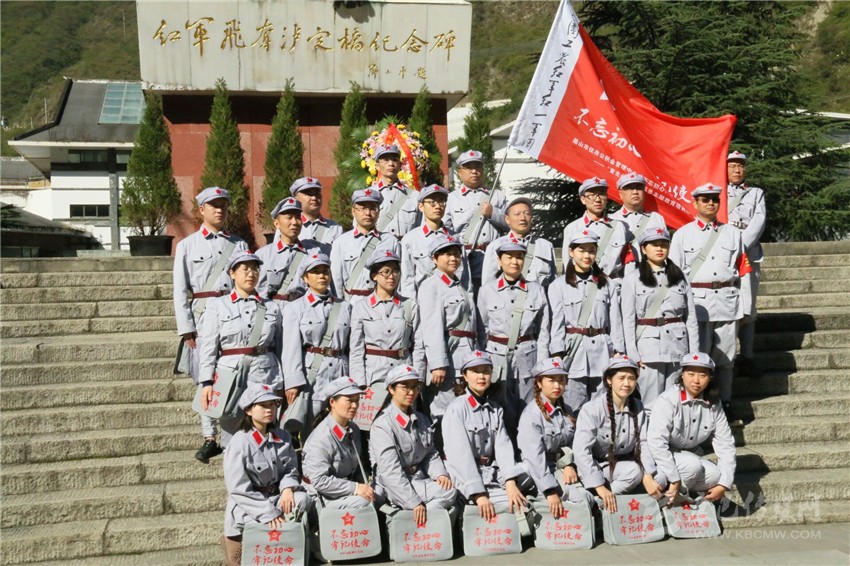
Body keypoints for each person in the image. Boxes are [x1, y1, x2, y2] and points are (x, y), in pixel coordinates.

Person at [172, 186, 248, 462]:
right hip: (203, 318)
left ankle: (233, 435)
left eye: (223, 205)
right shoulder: (187, 245)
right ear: (201, 210)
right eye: (214, 205)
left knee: (233, 375)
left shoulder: (239, 245)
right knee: (204, 376)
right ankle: (209, 436)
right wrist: (186, 328)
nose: (219, 210)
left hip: (233, 315)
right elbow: (180, 290)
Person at [670, 183, 751, 423]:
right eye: (705, 200)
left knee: (726, 360)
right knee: (696, 359)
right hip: (697, 305)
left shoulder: (733, 233)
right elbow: (673, 276)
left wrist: (746, 308)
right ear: (695, 203)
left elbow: (743, 271)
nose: (710, 203)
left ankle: (724, 402)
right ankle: (697, 403)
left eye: (715, 199)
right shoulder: (683, 234)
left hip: (727, 302)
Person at [197, 251, 283, 447]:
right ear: (232, 273)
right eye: (245, 269)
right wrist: (207, 382)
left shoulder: (272, 307)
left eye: (255, 269)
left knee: (264, 431)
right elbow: (209, 347)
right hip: (230, 376)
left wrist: (283, 381)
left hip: (264, 373)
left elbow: (279, 346)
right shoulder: (218, 305)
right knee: (232, 434)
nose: (251, 274)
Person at [222, 383, 312, 566]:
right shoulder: (239, 443)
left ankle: (287, 550)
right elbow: (238, 489)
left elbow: (290, 469)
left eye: (272, 404)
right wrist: (268, 513)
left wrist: (287, 488)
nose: (269, 410)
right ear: (249, 410)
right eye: (263, 405)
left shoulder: (283, 436)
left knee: (301, 499)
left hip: (276, 496)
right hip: (248, 504)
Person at [442, 351, 530, 521]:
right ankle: (467, 500)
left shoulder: (495, 409)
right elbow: (460, 457)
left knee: (530, 470)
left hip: (491, 471)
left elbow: (503, 447)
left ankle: (499, 492)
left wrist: (510, 481)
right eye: (475, 371)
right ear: (464, 376)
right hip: (465, 474)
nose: (481, 376)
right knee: (511, 507)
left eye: (486, 371)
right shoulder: (457, 409)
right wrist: (479, 494)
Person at [621, 228, 699, 411]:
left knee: (675, 402)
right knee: (650, 403)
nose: (659, 248)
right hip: (648, 348)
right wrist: (632, 353)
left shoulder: (680, 277)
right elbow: (628, 319)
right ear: (643, 249)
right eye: (654, 245)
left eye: (664, 244)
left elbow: (691, 319)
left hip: (678, 346)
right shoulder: (633, 279)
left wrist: (693, 354)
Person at [573, 357, 665, 513]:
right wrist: (600, 487)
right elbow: (582, 451)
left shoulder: (638, 406)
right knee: (634, 471)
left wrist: (648, 474)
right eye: (621, 378)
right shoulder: (592, 409)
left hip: (625, 466)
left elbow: (643, 442)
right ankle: (599, 505)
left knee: (660, 476)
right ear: (609, 380)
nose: (626, 383)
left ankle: (633, 508)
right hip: (598, 467)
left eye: (631, 378)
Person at [476, 239, 551, 428]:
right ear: (499, 261)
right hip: (497, 357)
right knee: (500, 409)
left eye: (519, 257)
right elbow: (482, 330)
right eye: (509, 257)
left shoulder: (536, 290)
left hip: (528, 356)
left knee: (529, 407)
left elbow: (543, 331)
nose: (514, 262)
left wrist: (542, 364)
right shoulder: (487, 290)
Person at [369, 365, 457, 524]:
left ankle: (413, 521)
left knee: (450, 488)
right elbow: (390, 472)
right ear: (391, 389)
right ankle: (414, 522)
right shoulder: (383, 425)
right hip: (394, 485)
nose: (411, 392)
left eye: (415, 387)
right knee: (448, 494)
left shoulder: (421, 419)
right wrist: (413, 502)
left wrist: (440, 474)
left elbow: (430, 453)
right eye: (405, 387)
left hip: (418, 479)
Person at [548, 231, 625, 413]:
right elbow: (556, 323)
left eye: (591, 250)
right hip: (574, 353)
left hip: (602, 351)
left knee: (603, 407)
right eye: (581, 250)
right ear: (571, 252)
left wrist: (618, 351)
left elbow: (615, 320)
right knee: (573, 405)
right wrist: (557, 353)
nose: (587, 255)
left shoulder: (606, 284)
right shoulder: (558, 285)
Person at [648, 352, 736, 505]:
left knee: (715, 475)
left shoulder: (714, 403)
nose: (696, 380)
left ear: (710, 378)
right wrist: (674, 479)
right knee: (692, 465)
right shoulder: (668, 400)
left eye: (702, 375)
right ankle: (669, 500)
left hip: (689, 456)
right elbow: (656, 443)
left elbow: (725, 443)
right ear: (682, 375)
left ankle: (681, 495)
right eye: (691, 374)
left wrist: (724, 484)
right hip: (662, 457)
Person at [517, 357, 593, 519]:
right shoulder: (532, 414)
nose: (557, 385)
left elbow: (573, 444)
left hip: (562, 468)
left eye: (561, 380)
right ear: (539, 383)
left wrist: (568, 463)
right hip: (540, 472)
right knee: (580, 499)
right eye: (551, 380)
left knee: (590, 495)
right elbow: (534, 458)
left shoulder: (566, 410)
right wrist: (549, 490)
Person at [281, 254, 352, 426]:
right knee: (310, 425)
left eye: (325, 271)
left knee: (342, 423)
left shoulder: (345, 307)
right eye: (315, 272)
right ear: (305, 278)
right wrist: (292, 382)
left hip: (340, 371)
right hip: (312, 376)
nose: (321, 276)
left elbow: (351, 345)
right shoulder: (295, 308)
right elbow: (291, 348)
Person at [418, 233, 478, 423]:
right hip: (448, 360)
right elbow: (431, 327)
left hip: (465, 356)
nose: (453, 258)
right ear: (434, 258)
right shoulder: (431, 285)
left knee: (464, 412)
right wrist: (437, 364)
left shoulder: (459, 286)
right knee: (444, 414)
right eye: (447, 254)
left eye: (456, 254)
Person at [302, 377, 377, 513]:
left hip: (344, 490)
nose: (354, 406)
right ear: (332, 402)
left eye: (357, 400)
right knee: (364, 502)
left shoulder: (353, 428)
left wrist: (365, 485)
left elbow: (357, 467)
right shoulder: (321, 438)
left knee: (379, 492)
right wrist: (355, 488)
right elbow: (319, 481)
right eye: (349, 400)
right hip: (322, 497)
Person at [349, 249, 422, 388]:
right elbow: (356, 349)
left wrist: (418, 378)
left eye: (395, 271)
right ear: (374, 276)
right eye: (386, 272)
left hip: (404, 374)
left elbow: (419, 345)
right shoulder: (361, 307)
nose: (391, 276)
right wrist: (359, 383)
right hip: (374, 375)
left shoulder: (409, 305)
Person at [726, 151, 766, 378]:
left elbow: (758, 221)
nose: (737, 170)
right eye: (732, 166)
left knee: (748, 307)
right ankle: (727, 358)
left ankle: (747, 356)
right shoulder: (716, 193)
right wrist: (729, 246)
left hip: (747, 252)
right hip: (723, 253)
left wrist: (739, 245)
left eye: (740, 166)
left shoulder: (755, 193)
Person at [444, 150, 508, 288]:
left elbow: (511, 224)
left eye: (478, 167)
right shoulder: (451, 198)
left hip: (493, 259)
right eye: (469, 167)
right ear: (460, 172)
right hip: (465, 259)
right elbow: (445, 231)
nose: (474, 171)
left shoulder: (497, 196)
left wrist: (493, 213)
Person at [400, 183, 471, 298]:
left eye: (441, 201)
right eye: (432, 202)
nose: (437, 206)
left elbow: (465, 277)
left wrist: (468, 302)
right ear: (421, 207)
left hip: (453, 300)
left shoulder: (455, 238)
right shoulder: (411, 239)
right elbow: (407, 280)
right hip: (425, 300)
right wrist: (412, 305)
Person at [330, 188, 401, 304]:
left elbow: (399, 277)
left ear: (379, 212)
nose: (368, 213)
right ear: (353, 211)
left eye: (373, 208)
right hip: (352, 302)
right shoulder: (341, 242)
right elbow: (335, 280)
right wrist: (339, 306)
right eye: (362, 208)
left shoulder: (390, 241)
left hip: (383, 302)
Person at [562, 178, 634, 288]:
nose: (598, 199)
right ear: (583, 199)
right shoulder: (572, 228)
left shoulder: (619, 227)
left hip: (613, 286)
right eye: (592, 195)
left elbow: (628, 261)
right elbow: (567, 263)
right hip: (583, 286)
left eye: (601, 194)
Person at [481, 197, 557, 288]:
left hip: (539, 296)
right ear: (507, 219)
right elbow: (488, 286)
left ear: (531, 218)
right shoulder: (495, 246)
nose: (523, 218)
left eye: (527, 214)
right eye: (517, 214)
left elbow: (553, 284)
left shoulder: (545, 246)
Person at [256, 197, 320, 303]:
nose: (294, 222)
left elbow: (321, 288)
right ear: (276, 224)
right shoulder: (263, 255)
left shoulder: (313, 253)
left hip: (304, 309)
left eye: (298, 217)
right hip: (275, 309)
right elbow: (259, 291)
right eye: (289, 217)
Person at [609, 172, 667, 257]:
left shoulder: (656, 218)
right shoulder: (611, 220)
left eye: (639, 188)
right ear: (620, 194)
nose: (635, 192)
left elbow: (665, 249)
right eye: (630, 188)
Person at [371, 144, 421, 238]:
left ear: (400, 165)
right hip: (378, 245)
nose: (391, 163)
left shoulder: (415, 196)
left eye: (394, 160)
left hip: (405, 246)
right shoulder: (368, 195)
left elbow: (420, 231)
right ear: (377, 166)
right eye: (386, 160)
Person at [289, 176, 342, 250]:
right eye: (309, 193)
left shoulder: (334, 228)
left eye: (317, 193)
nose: (314, 198)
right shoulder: (288, 227)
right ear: (296, 200)